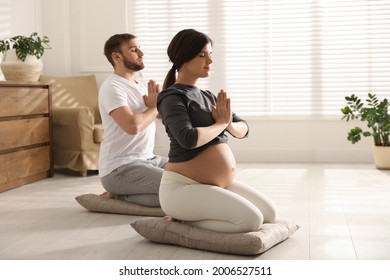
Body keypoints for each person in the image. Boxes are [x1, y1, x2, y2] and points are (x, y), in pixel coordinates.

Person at [157, 29, 277, 233]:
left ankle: (189, 216)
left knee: (270, 214)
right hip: (182, 188)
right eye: (202, 55)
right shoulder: (171, 97)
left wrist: (228, 124)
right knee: (251, 221)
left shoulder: (209, 96)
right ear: (183, 57)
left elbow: (244, 129)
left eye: (210, 54)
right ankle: (182, 219)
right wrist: (221, 124)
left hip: (213, 185)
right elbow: (188, 139)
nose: (209, 61)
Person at [98, 33, 168, 207]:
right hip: (119, 168)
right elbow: (132, 126)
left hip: (149, 159)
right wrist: (155, 107)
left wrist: (161, 104)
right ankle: (119, 195)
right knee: (177, 190)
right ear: (116, 56)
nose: (141, 53)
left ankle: (121, 193)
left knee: (192, 177)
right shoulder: (112, 87)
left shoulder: (142, 86)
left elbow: (159, 117)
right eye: (133, 49)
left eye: (139, 48)